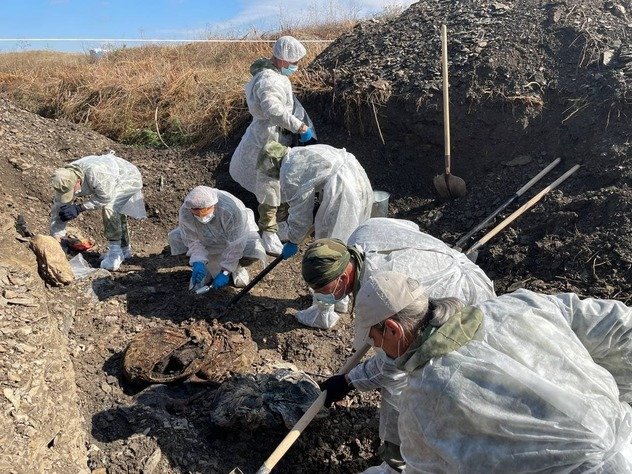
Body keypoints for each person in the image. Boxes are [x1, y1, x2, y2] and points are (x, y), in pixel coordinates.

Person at [350, 270, 632, 473]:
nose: (376, 347)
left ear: (393, 329)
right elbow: (618, 325)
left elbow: (420, 469)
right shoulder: (519, 305)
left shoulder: (425, 400)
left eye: (374, 339)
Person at [306, 218, 495, 473]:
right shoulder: (364, 233)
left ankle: (399, 459)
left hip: (462, 298)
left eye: (322, 288)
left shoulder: (383, 289)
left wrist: (349, 381)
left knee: (409, 380)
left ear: (342, 277)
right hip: (443, 276)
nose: (319, 294)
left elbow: (393, 366)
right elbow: (410, 228)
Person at [229, 35, 315, 256]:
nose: (296, 67)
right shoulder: (269, 79)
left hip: (275, 138)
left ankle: (279, 227)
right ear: (285, 60)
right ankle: (268, 232)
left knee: (279, 182)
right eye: (295, 62)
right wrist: (300, 128)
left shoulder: (274, 76)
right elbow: (273, 109)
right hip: (268, 141)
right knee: (269, 186)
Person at [258, 140, 373, 263]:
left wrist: (293, 241)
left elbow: (301, 215)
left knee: (334, 240)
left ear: (272, 165)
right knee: (354, 232)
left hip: (343, 189)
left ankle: (337, 269)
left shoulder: (289, 174)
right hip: (357, 176)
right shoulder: (298, 152)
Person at [50, 152, 146, 271]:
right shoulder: (64, 177)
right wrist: (57, 234)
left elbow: (105, 198)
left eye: (71, 191)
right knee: (114, 209)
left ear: (78, 181)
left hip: (127, 177)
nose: (71, 194)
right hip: (109, 178)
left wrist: (80, 208)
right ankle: (125, 249)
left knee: (111, 207)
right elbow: (59, 206)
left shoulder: (97, 174)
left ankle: (116, 253)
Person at [168, 186, 266, 291]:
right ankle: (205, 268)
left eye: (205, 212)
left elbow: (236, 243)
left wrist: (226, 271)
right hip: (206, 239)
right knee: (176, 238)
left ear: (214, 205)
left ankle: (236, 266)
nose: (202, 217)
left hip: (232, 238)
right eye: (197, 214)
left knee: (253, 247)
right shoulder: (186, 211)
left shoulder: (230, 209)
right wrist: (198, 261)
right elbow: (192, 240)